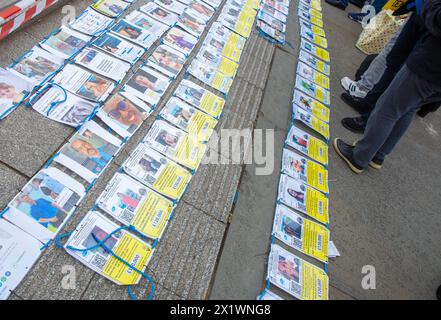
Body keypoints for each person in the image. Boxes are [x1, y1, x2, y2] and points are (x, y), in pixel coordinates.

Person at [333, 0, 441, 173]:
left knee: (388, 109)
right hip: (432, 69)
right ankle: (378, 154)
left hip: (430, 65)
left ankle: (359, 156)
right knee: (408, 108)